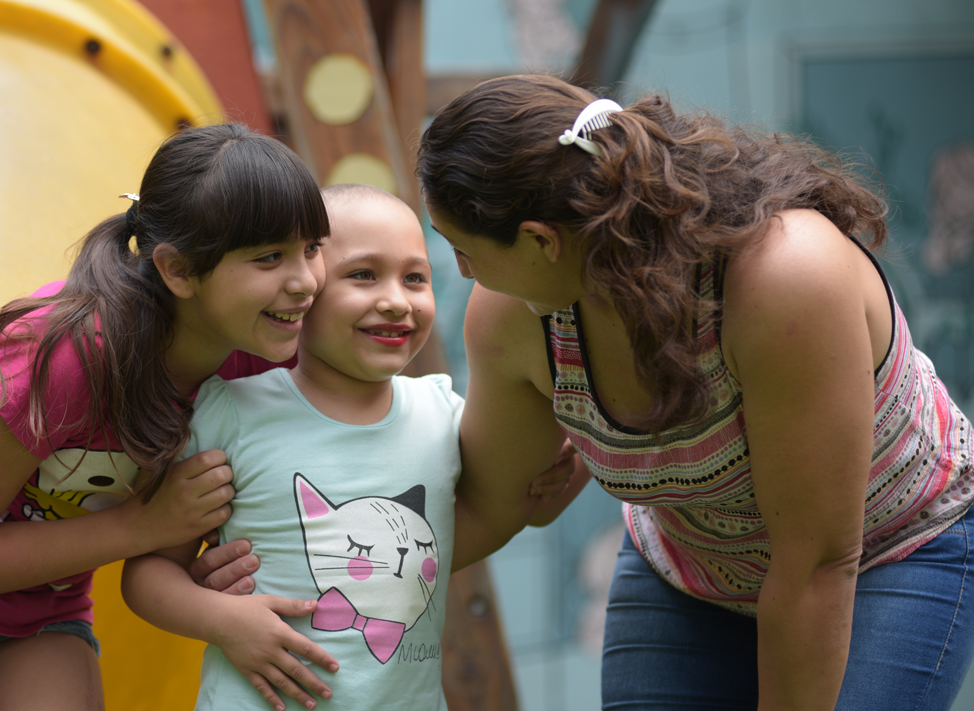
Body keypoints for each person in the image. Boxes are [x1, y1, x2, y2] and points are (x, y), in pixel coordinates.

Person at [415, 74, 974, 710]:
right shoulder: (514, 316)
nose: (462, 271)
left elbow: (817, 563)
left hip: (887, 549)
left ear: (542, 240)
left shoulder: (785, 279)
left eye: (463, 250)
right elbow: (492, 505)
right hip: (691, 563)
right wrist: (304, 584)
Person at [0, 123, 332, 711]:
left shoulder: (258, 359)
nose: (305, 281)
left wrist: (210, 581)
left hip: (36, 594)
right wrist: (140, 526)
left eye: (313, 249)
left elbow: (172, 546)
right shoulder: (71, 352)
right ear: (178, 270)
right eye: (269, 258)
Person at [120, 184, 575, 711]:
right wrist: (221, 620)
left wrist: (573, 457)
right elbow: (148, 574)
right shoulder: (230, 414)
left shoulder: (442, 414)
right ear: (303, 290)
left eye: (415, 278)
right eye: (362, 274)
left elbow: (501, 512)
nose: (395, 300)